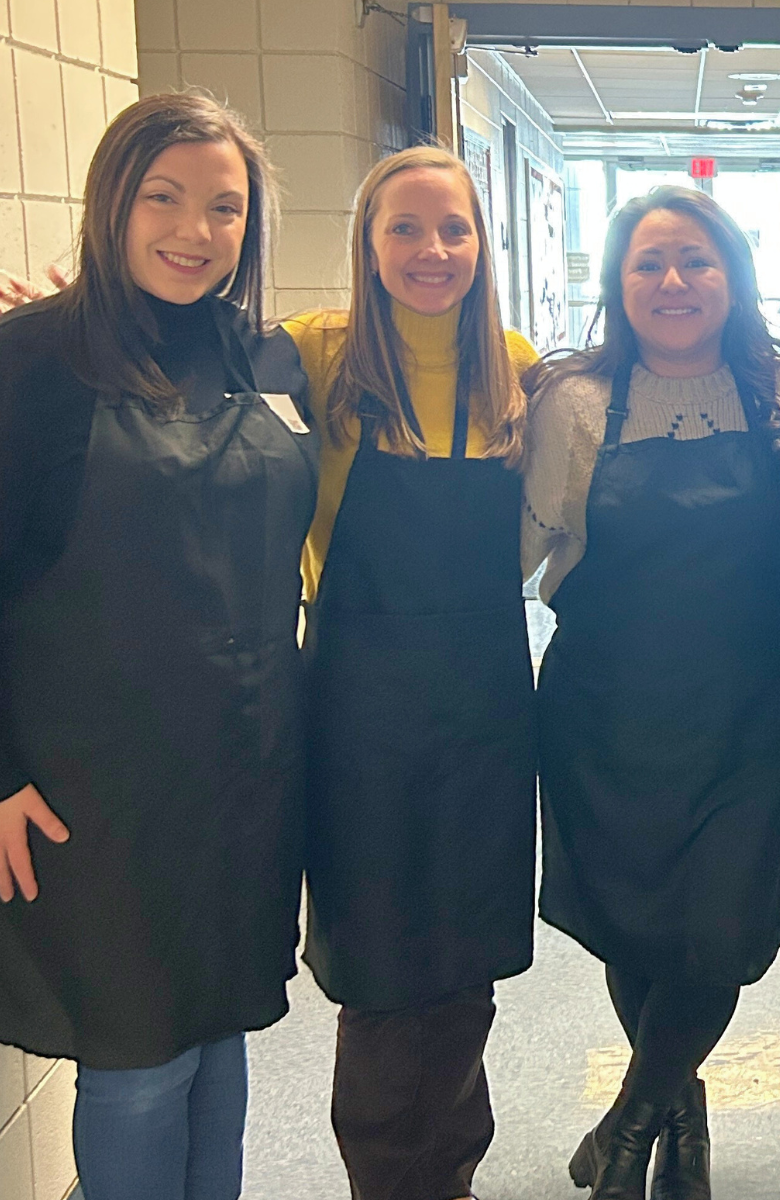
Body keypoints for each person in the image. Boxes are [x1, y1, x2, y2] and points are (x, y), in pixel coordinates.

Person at [0, 93, 316, 1200]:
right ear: (112, 203)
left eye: (225, 208)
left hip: (241, 772)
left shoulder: (268, 358)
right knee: (136, 1063)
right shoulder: (30, 361)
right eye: (164, 198)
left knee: (220, 1041)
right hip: (98, 791)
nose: (196, 231)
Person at [524, 186, 780, 1200]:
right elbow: (513, 546)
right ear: (616, 284)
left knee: (717, 929)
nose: (673, 282)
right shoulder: (572, 402)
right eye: (648, 263)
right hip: (601, 709)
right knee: (637, 927)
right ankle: (682, 1132)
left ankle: (627, 1137)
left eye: (696, 260)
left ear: (733, 277)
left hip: (741, 710)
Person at [286, 145, 539, 1200]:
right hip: (359, 706)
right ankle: (391, 1182)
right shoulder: (311, 350)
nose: (432, 251)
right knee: (383, 972)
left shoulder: (517, 365)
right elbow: (171, 357)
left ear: (483, 245)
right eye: (405, 228)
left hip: (483, 702)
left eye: (454, 230)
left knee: (466, 961)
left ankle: (454, 1174)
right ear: (366, 241)